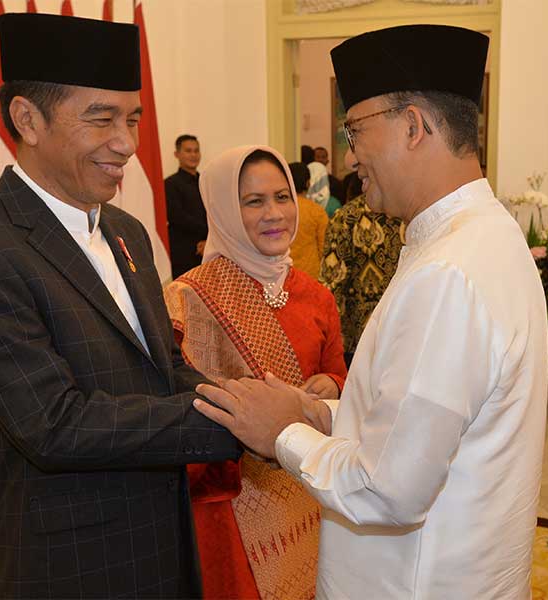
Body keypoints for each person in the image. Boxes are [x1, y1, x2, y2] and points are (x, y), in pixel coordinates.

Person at [193, 24, 548, 599]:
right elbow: (426, 421)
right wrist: (322, 413)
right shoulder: (485, 236)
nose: (351, 154)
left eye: (356, 131)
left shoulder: (448, 273)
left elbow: (388, 492)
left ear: (413, 126)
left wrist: (281, 432)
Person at [0, 14, 238, 599]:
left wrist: (250, 396)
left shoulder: (126, 231)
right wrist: (239, 426)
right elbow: (54, 424)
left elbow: (166, 369)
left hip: (164, 544)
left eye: (134, 118)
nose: (126, 142)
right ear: (26, 119)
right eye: (102, 118)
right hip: (71, 564)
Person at [164, 145, 347, 600]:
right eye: (253, 201)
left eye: (283, 197)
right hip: (227, 504)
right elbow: (172, 410)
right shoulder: (187, 300)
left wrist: (331, 387)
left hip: (310, 486)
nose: (275, 214)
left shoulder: (317, 295)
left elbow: (341, 379)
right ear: (224, 209)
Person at [320, 189, 405, 364]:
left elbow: (331, 285)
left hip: (359, 341)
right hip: (402, 334)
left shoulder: (346, 218)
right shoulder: (410, 215)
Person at [165, 134, 209, 278]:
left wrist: (209, 239)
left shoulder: (207, 182)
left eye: (196, 151)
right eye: (188, 151)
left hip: (209, 247)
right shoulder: (170, 184)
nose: (193, 155)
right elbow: (177, 217)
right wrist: (206, 233)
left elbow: (215, 212)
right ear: (177, 154)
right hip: (183, 252)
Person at [288, 161, 329, 279]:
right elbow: (324, 249)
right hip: (310, 276)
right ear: (308, 183)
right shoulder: (316, 211)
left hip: (283, 276)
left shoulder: (279, 211)